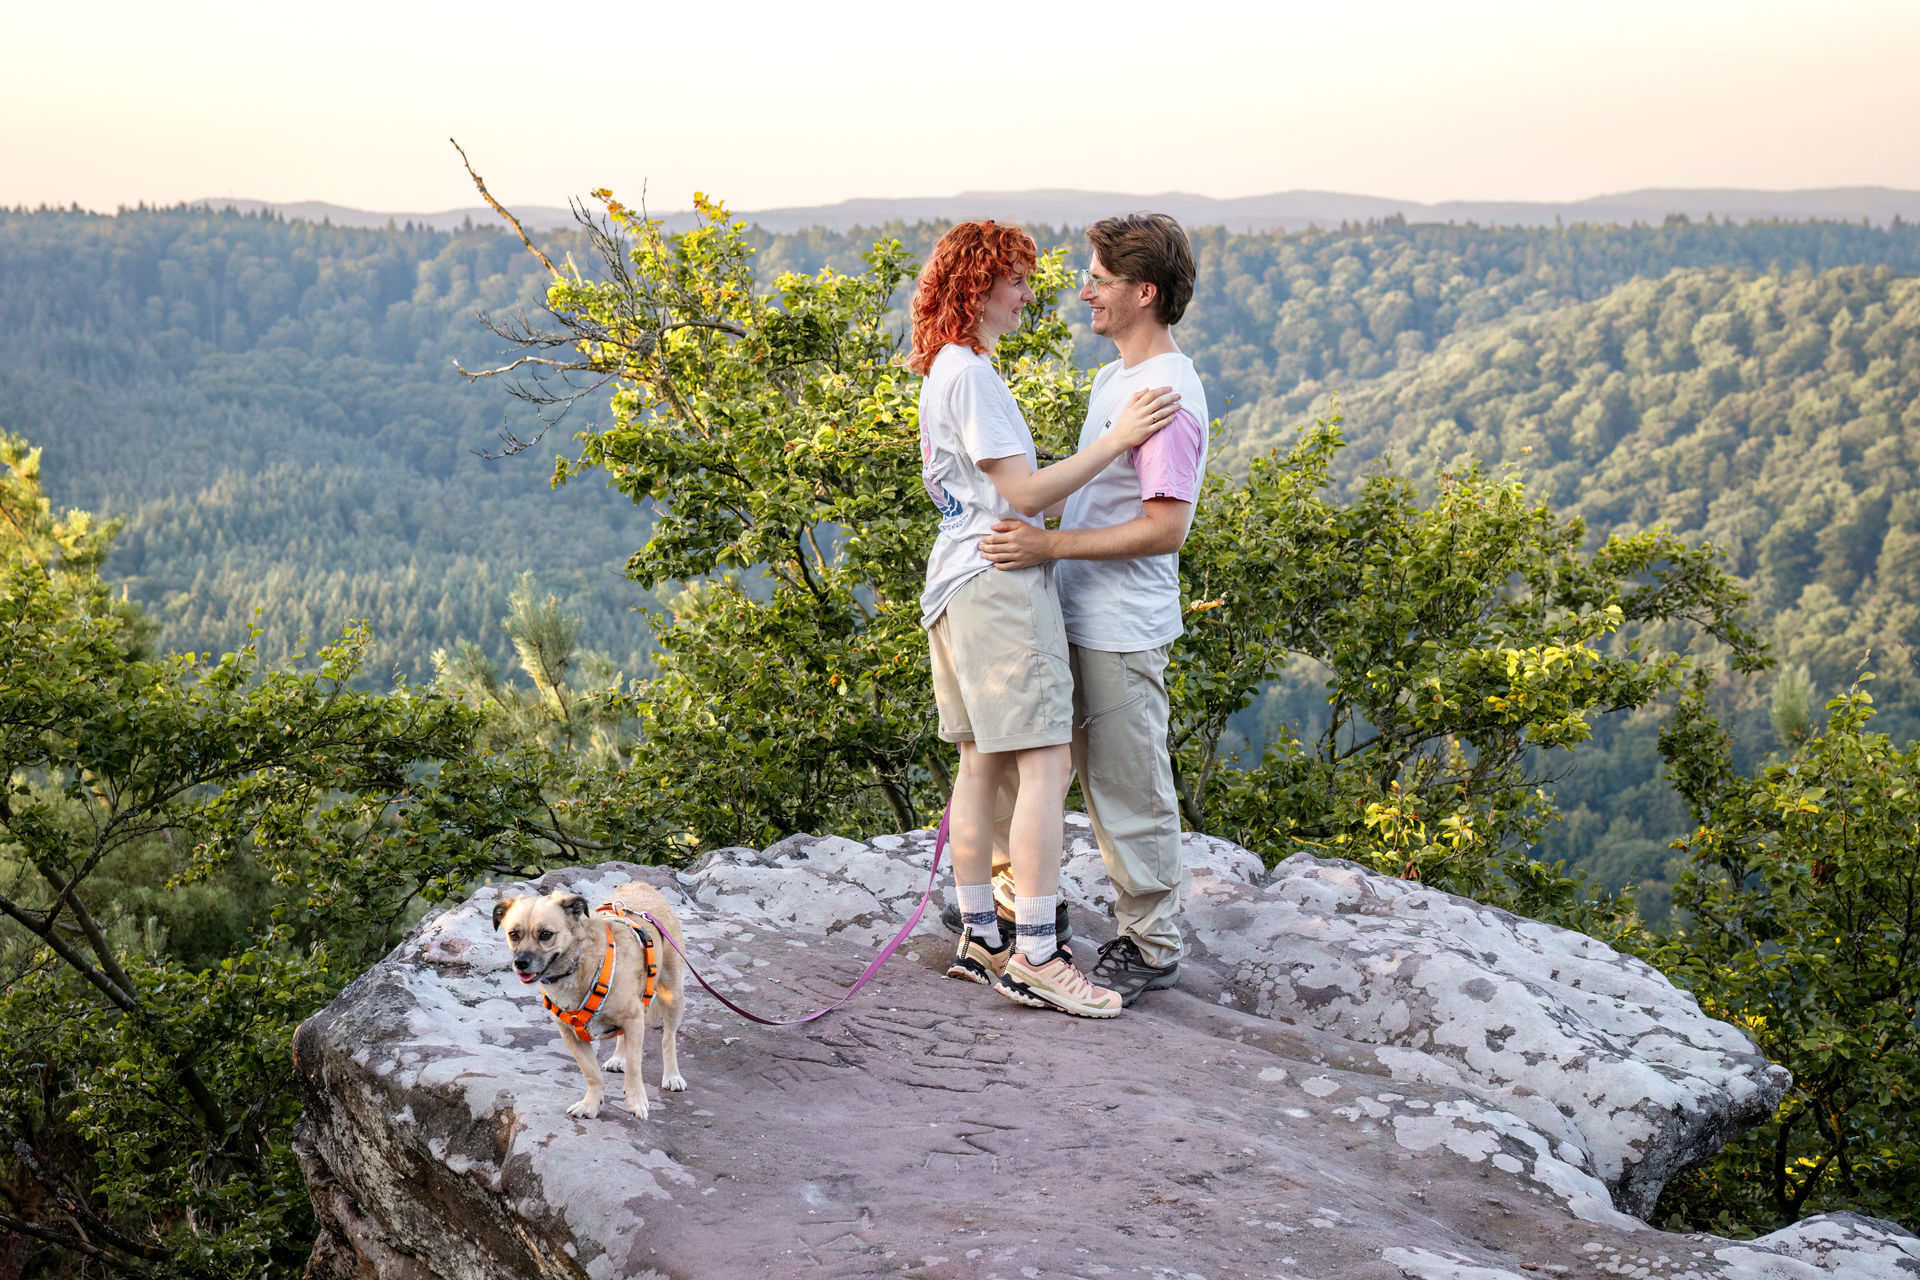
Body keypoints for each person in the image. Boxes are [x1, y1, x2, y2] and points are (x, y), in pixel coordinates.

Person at [910, 219, 1180, 1019]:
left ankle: (981, 936)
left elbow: (1006, 492)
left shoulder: (948, 367)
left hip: (957, 580)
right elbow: (1024, 496)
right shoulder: (972, 377)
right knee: (1044, 761)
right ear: (980, 285)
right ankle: (1037, 954)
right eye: (1018, 280)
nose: (1031, 294)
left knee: (980, 761)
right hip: (1000, 585)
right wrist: (1119, 440)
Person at [977, 212, 1208, 1007]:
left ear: (1144, 292)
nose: (1085, 293)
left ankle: (1151, 944)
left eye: (1100, 280)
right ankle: (1018, 907)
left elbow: (1165, 529)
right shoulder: (1118, 381)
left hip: (1120, 626)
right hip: (1073, 609)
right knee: (1030, 761)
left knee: (1125, 786)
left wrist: (1047, 546)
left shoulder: (1165, 396)